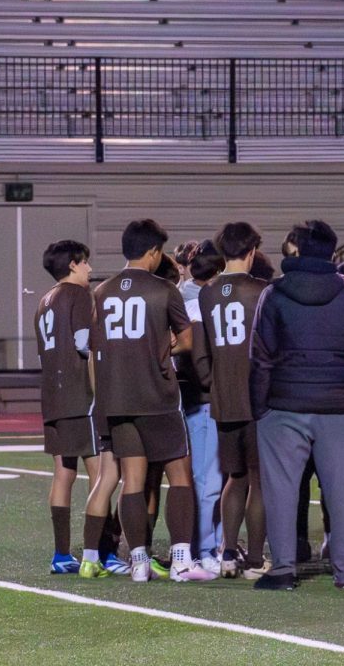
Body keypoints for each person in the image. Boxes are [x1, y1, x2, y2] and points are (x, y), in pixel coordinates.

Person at [250, 220, 344, 591]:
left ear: (297, 250)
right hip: (340, 407)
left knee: (281, 492)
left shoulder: (273, 295)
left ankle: (283, 569)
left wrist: (261, 408)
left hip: (284, 405)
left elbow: (261, 358)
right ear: (332, 253)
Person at [87, 219, 214, 583]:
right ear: (154, 252)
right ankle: (180, 559)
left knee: (133, 480)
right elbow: (187, 339)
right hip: (157, 395)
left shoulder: (102, 292)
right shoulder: (163, 290)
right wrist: (166, 345)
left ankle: (139, 561)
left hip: (116, 398)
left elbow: (96, 347)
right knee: (180, 477)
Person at [34, 240, 121, 575]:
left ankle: (60, 554)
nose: (89, 269)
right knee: (102, 476)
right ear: (72, 264)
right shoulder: (79, 295)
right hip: (79, 396)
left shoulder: (44, 301)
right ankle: (103, 552)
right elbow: (84, 343)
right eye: (85, 262)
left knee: (63, 473)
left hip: (52, 396)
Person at [194, 222, 271, 578]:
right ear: (252, 251)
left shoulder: (206, 293)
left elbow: (200, 350)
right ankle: (255, 559)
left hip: (223, 399)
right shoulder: (262, 291)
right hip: (258, 399)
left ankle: (227, 553)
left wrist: (214, 383)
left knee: (234, 477)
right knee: (258, 479)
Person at [180, 241, 227, 575]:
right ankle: (204, 547)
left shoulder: (188, 297)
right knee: (208, 479)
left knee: (213, 478)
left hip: (201, 399)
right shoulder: (196, 303)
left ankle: (215, 545)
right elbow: (198, 361)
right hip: (204, 400)